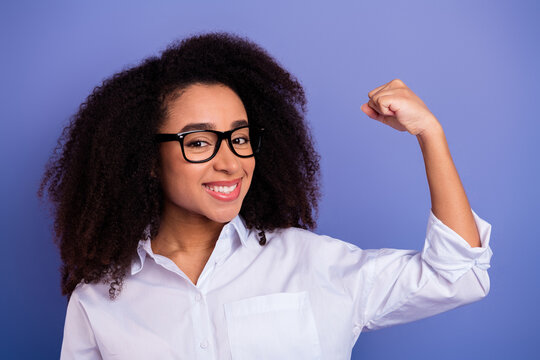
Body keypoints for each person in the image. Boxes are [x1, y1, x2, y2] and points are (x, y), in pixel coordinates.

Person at [39, 32, 493, 360]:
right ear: (146, 159)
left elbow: (457, 276)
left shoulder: (315, 263)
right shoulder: (97, 301)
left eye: (240, 138)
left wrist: (429, 133)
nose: (230, 162)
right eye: (198, 142)